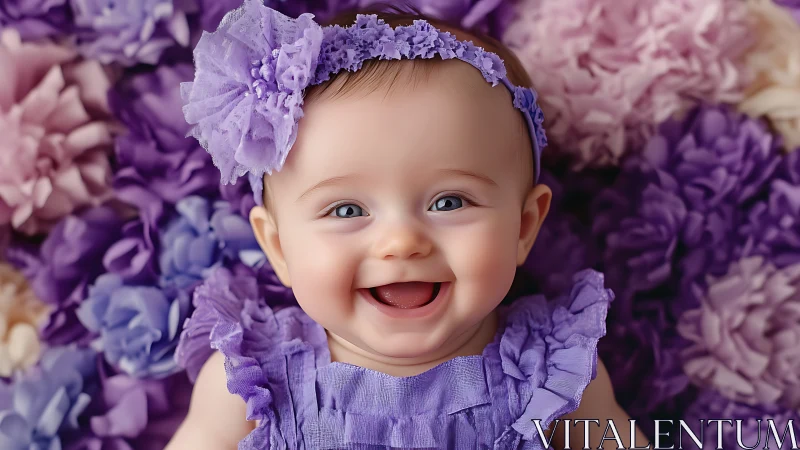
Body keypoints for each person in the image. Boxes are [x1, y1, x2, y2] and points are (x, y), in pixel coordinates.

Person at [166, 0, 649, 448]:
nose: (402, 242)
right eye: (347, 210)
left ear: (524, 227)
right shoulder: (248, 389)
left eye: (450, 201)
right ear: (278, 247)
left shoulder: (559, 379)